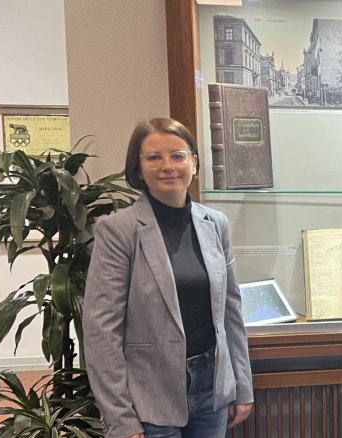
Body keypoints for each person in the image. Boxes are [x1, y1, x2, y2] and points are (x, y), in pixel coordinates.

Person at [83, 118, 254, 438]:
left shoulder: (216, 223)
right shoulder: (118, 230)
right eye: (153, 157)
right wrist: (120, 418)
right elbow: (101, 332)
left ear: (194, 162)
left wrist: (242, 385)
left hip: (212, 389)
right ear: (138, 168)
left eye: (177, 155)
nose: (168, 166)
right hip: (149, 395)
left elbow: (231, 310)